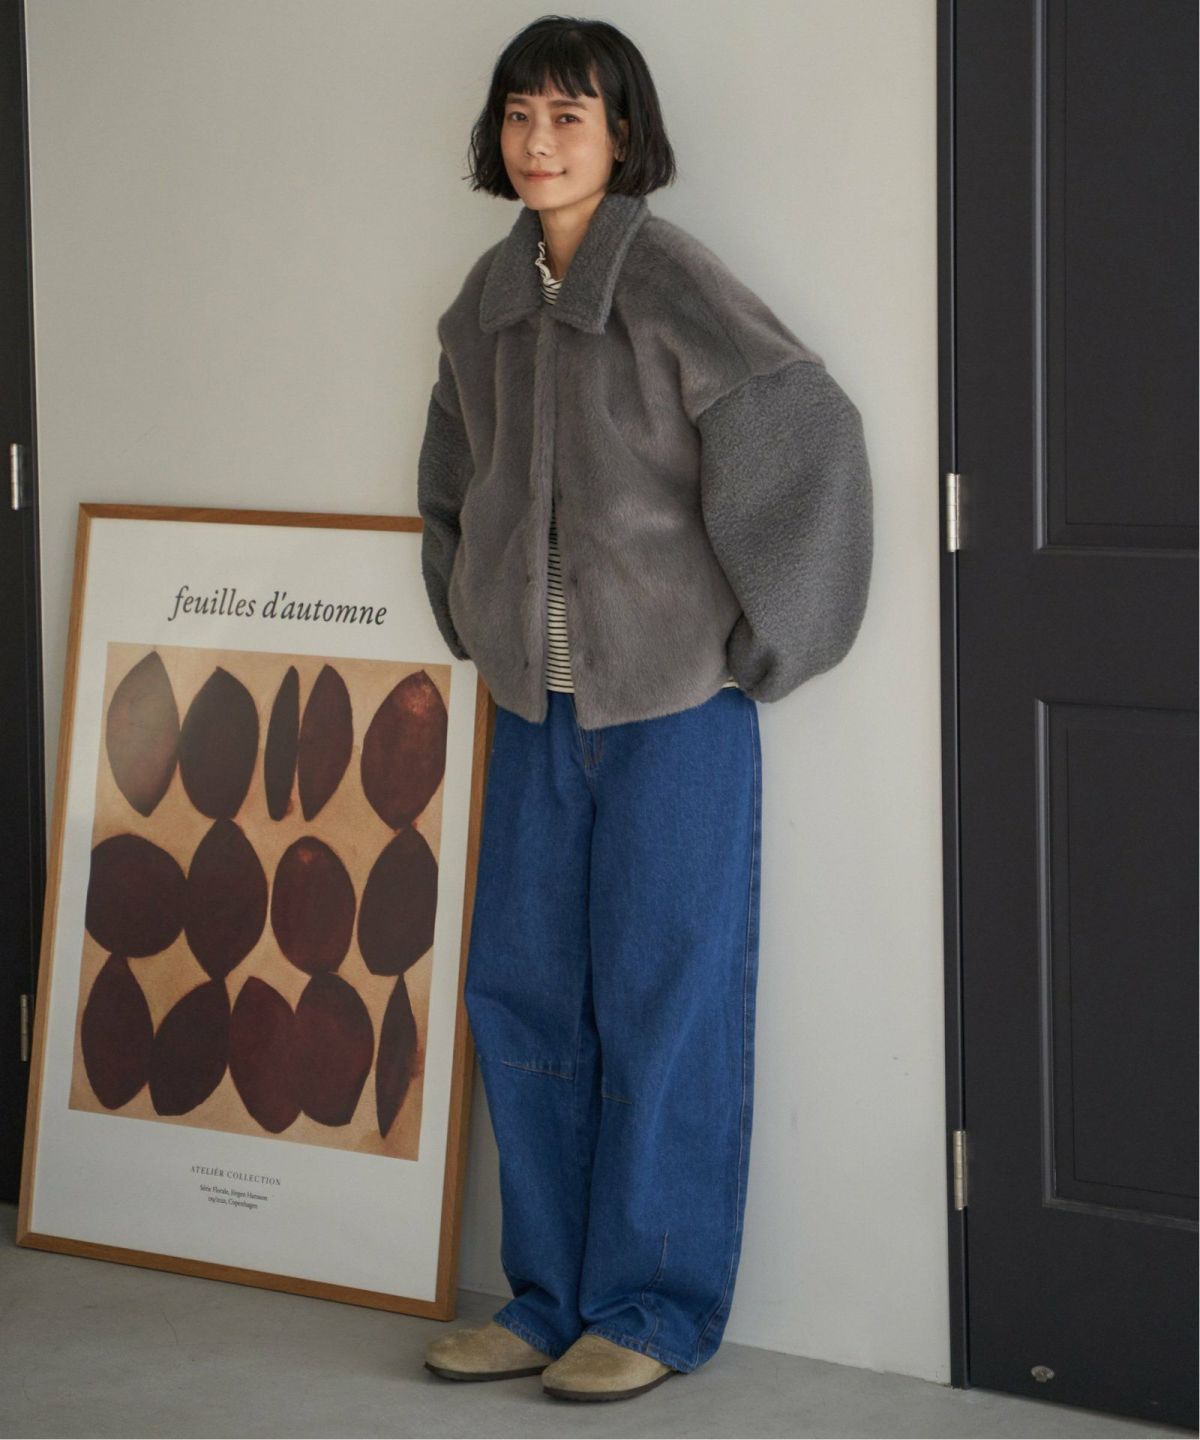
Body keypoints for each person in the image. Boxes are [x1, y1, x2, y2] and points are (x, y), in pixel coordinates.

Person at [417, 14, 873, 1404]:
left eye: (570, 115)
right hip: (533, 711)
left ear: (623, 134)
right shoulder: (485, 304)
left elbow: (807, 431)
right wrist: (472, 614)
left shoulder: (672, 281)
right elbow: (448, 478)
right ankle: (546, 1298)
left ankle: (653, 1307)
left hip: (674, 710)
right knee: (525, 993)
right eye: (519, 114)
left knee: (665, 999)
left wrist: (764, 643)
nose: (539, 140)